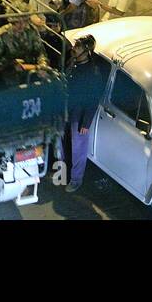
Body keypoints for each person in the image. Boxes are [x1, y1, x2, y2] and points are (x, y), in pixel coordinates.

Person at [65, 35, 100, 192]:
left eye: (78, 46)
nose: (74, 48)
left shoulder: (92, 73)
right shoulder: (73, 63)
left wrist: (86, 123)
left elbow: (93, 100)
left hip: (78, 116)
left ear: (86, 51)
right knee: (64, 143)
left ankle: (76, 180)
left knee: (78, 148)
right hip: (67, 110)